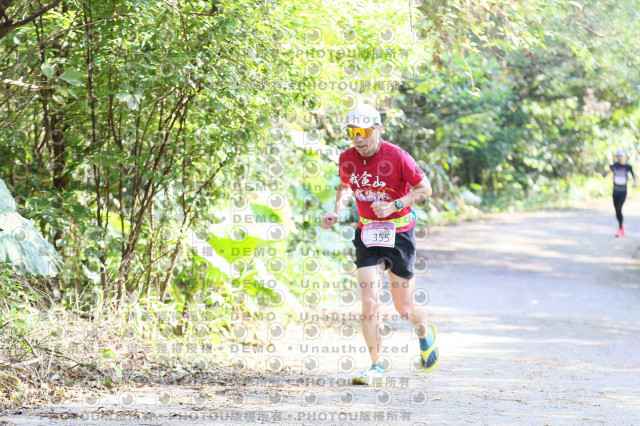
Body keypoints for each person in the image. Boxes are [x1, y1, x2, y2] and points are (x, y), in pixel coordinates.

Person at [321, 103, 439, 386]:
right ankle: (376, 367)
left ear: (379, 130)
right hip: (368, 234)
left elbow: (425, 189)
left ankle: (424, 331)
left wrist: (396, 204)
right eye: (352, 132)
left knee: (404, 308)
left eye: (364, 131)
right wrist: (337, 210)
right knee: (370, 302)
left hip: (399, 234)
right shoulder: (347, 158)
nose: (358, 138)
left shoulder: (398, 157)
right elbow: (345, 186)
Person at [602, 148, 637, 237]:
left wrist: (634, 182)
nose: (620, 158)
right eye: (618, 156)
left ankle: (620, 228)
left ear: (625, 156)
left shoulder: (628, 166)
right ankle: (621, 227)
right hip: (615, 191)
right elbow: (605, 173)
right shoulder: (614, 166)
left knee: (618, 209)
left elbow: (633, 175)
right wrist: (604, 173)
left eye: (621, 156)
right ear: (616, 157)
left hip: (623, 192)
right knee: (616, 211)